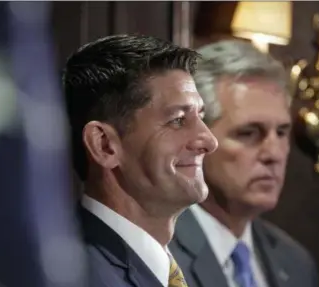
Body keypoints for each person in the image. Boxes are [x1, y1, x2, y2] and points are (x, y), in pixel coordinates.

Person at [63, 34, 218, 287]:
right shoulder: (74, 276)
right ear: (104, 145)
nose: (209, 141)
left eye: (201, 116)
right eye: (178, 120)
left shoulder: (174, 270)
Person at [169, 40, 319, 287]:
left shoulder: (295, 262)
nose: (274, 154)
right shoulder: (155, 256)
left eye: (281, 133)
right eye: (248, 133)